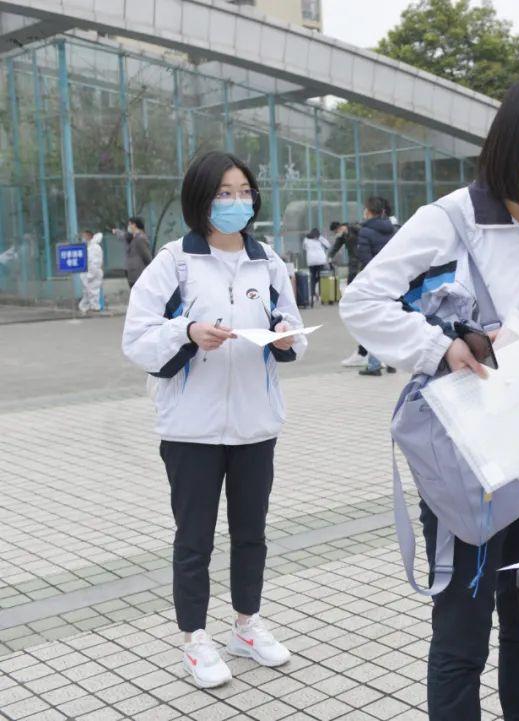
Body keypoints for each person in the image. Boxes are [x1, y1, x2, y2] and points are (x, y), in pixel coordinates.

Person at [340, 76, 519, 721]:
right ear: (513, 145)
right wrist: (441, 349)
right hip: (471, 455)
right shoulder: (451, 219)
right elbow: (364, 301)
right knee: (464, 626)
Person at [121, 151, 306, 690]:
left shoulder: (268, 260)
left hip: (256, 424)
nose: (236, 202)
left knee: (252, 534)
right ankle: (195, 639)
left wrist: (288, 339)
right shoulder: (174, 262)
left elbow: (291, 326)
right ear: (201, 198)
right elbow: (135, 338)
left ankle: (245, 626)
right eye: (224, 192)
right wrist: (186, 332)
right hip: (191, 430)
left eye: (244, 191)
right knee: (194, 539)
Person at [354, 196, 398, 377]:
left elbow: (364, 257)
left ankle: (374, 364)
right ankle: (391, 361)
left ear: (369, 212)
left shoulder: (365, 232)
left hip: (373, 283)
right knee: (388, 320)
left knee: (372, 323)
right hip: (392, 280)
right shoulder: (392, 230)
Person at [329, 220, 369, 366]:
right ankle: (367, 354)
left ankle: (367, 355)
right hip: (354, 267)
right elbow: (336, 246)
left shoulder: (355, 229)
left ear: (340, 227)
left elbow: (364, 236)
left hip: (363, 267)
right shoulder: (342, 236)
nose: (337, 234)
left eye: (337, 231)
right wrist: (330, 255)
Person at [78, 230, 105, 314]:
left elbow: (95, 263)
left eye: (84, 236)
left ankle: (94, 308)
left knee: (93, 292)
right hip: (90, 274)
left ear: (89, 236)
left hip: (93, 274)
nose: (83, 238)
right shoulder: (89, 247)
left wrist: (90, 275)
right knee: (88, 292)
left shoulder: (94, 247)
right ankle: (86, 308)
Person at [302, 227, 330, 306]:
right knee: (321, 278)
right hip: (321, 260)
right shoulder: (320, 238)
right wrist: (321, 239)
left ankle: (313, 295)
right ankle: (322, 295)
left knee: (312, 278)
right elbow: (328, 245)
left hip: (311, 261)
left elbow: (304, 248)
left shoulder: (306, 239)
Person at [122, 216, 152, 288]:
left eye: (129, 224)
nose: (128, 227)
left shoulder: (140, 238)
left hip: (139, 276)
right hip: (133, 275)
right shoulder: (134, 238)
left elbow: (147, 258)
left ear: (134, 225)